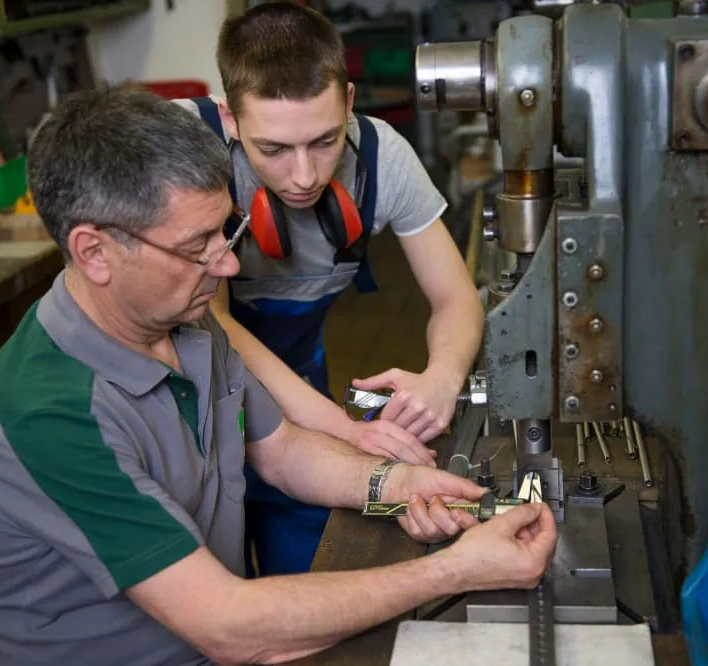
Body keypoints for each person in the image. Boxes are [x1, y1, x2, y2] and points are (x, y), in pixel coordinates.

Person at [0, 87, 555, 666]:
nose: (229, 263)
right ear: (95, 252)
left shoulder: (184, 322)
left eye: (226, 230)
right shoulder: (52, 414)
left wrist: (407, 483)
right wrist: (455, 571)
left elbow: (282, 451)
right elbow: (230, 625)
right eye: (198, 245)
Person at [173, 1, 486, 577]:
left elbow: (455, 297)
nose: (304, 176)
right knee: (210, 560)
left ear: (348, 101)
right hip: (187, 386)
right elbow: (214, 328)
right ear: (230, 117)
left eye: (324, 141)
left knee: (309, 549)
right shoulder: (181, 148)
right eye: (273, 150)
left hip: (298, 372)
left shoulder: (382, 156)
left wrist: (441, 380)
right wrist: (344, 430)